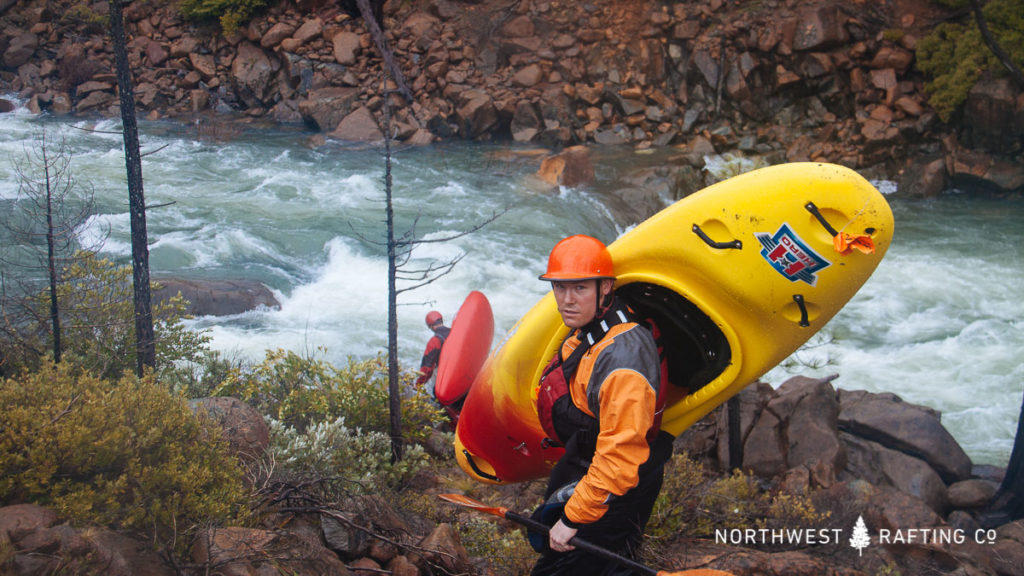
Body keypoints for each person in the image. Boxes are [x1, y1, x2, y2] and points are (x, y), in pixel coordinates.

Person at [530, 234, 674, 576]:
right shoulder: (590, 329)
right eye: (559, 288)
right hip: (589, 468)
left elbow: (620, 456)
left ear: (606, 287)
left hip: (615, 490)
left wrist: (573, 517)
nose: (566, 300)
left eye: (579, 288)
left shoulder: (624, 358)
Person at [415, 310, 450, 390]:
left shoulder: (434, 341)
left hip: (446, 375)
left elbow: (427, 367)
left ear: (430, 326)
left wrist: (419, 384)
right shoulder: (454, 332)